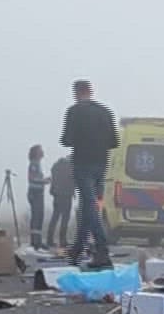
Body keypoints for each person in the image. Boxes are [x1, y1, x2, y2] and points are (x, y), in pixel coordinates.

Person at [59, 79, 119, 267]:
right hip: (101, 163)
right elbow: (115, 142)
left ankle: (102, 249)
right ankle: (78, 249)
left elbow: (66, 140)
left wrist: (79, 139)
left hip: (83, 163)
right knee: (89, 206)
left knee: (90, 206)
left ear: (76, 93)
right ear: (91, 92)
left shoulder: (74, 111)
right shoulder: (106, 112)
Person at [47, 153, 74, 248]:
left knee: (55, 217)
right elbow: (73, 180)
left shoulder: (56, 166)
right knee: (65, 218)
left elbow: (54, 178)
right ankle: (62, 240)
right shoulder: (70, 167)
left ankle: (49, 239)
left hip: (57, 195)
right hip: (66, 195)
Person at [25, 144, 47, 243]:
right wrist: (44, 181)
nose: (43, 151)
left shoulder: (37, 163)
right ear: (36, 153)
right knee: (37, 216)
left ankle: (37, 241)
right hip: (35, 193)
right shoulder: (34, 164)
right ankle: (35, 242)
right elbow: (32, 178)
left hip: (38, 192)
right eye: (40, 150)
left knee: (39, 216)